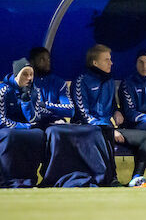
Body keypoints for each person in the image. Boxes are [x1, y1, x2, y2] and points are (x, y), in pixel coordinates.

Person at [71, 44, 146, 186]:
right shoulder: (81, 81)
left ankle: (136, 178)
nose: (111, 63)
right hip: (89, 129)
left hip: (109, 128)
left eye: (110, 59)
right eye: (107, 60)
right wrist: (109, 129)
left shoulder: (109, 80)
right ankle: (111, 179)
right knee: (106, 135)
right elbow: (83, 115)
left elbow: (112, 104)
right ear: (95, 63)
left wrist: (117, 111)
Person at [29, 47, 113, 187]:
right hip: (39, 126)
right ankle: (53, 177)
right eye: (42, 59)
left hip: (60, 124)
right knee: (56, 133)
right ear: (32, 62)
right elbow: (33, 110)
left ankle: (101, 177)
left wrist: (46, 106)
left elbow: (69, 110)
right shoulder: (29, 82)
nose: (46, 62)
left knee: (93, 131)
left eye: (48, 59)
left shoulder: (59, 82)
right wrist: (53, 111)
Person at [0, 58, 45, 188]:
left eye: (31, 74)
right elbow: (1, 122)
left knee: (38, 135)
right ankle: (9, 180)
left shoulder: (34, 91)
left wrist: (26, 101)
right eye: (25, 74)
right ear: (16, 74)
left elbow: (34, 119)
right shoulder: (0, 91)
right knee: (9, 136)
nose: (29, 78)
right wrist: (27, 126)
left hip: (17, 131)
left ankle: (28, 180)